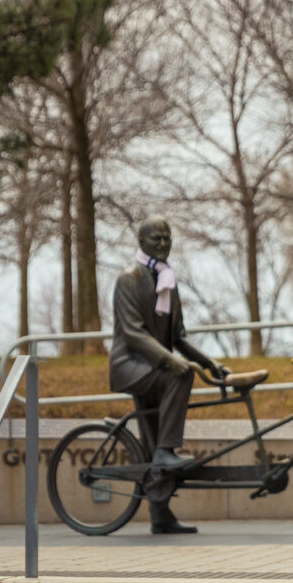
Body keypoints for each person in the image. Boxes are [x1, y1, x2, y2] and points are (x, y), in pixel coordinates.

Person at [109, 218, 228, 534]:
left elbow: (177, 336)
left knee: (153, 430)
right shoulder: (128, 279)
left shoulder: (168, 280)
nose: (163, 243)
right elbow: (133, 333)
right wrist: (172, 362)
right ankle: (166, 452)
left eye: (167, 238)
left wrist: (209, 364)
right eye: (156, 238)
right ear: (141, 241)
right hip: (131, 364)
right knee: (180, 376)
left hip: (155, 365)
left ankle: (160, 516)